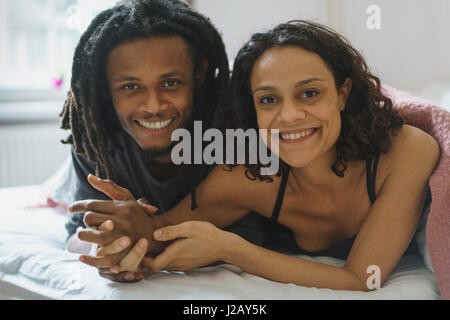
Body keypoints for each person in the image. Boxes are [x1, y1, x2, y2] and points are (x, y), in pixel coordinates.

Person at [73, 20, 439, 290]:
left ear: (343, 94)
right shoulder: (248, 172)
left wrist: (235, 249)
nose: (289, 115)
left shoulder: (406, 151)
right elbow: (163, 234)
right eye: (268, 99)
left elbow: (363, 278)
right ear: (252, 110)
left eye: (309, 93)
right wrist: (123, 233)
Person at [60, 0, 270, 282]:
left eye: (171, 83)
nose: (154, 106)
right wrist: (109, 248)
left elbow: (257, 231)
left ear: (199, 75)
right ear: (106, 88)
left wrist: (144, 238)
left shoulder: (232, 123)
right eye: (130, 86)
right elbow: (78, 233)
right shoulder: (96, 134)